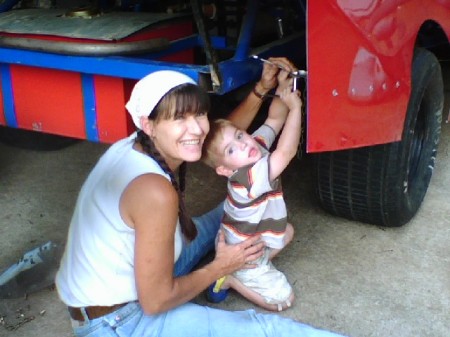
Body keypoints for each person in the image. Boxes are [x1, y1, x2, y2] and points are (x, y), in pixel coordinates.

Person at [55, 61, 346, 337]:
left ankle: (232, 262)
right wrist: (222, 266)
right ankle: (232, 273)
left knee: (232, 212)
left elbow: (219, 140)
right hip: (121, 321)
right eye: (180, 118)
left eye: (199, 114)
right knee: (266, 329)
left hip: (129, 280)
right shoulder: (153, 191)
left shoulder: (138, 145)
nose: (195, 129)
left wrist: (263, 87)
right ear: (149, 124)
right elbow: (155, 301)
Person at [201, 69, 301, 312]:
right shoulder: (247, 177)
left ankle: (234, 264)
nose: (243, 145)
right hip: (244, 252)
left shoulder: (253, 146)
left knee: (287, 231)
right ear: (224, 170)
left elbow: (274, 121)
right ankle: (231, 278)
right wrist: (296, 109)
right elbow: (285, 152)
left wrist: (281, 90)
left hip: (239, 236)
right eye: (231, 150)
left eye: (239, 135)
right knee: (283, 300)